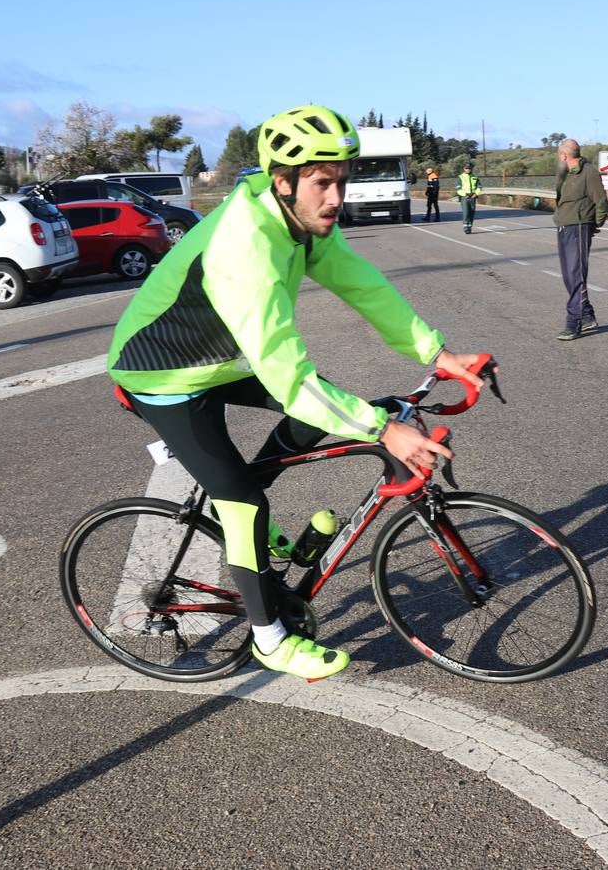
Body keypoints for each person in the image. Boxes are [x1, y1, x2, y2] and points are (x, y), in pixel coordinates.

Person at [106, 105, 486, 681]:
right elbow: (288, 377)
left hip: (219, 360)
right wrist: (384, 428)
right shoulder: (245, 247)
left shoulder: (298, 219)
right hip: (162, 376)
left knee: (319, 414)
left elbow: (362, 284)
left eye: (341, 180)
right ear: (283, 182)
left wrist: (437, 353)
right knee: (244, 504)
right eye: (321, 184)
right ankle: (268, 638)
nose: (336, 197)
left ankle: (262, 528)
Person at [552, 138, 608, 341]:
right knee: (569, 276)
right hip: (564, 226)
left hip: (579, 226)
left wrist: (595, 224)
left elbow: (602, 201)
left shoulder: (589, 172)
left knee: (575, 274)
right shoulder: (565, 173)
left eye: (558, 155)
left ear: (563, 155)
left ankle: (573, 322)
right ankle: (586, 316)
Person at [455, 162, 481, 233]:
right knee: (466, 213)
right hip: (465, 197)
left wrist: (476, 193)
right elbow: (458, 188)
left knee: (472, 213)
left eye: (469, 168)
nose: (468, 169)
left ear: (471, 169)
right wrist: (465, 194)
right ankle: (466, 227)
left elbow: (479, 187)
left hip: (473, 196)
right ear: (464, 169)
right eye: (466, 168)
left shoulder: (475, 177)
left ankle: (470, 226)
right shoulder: (460, 177)